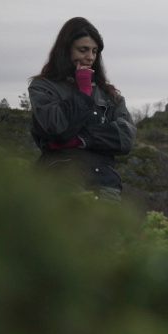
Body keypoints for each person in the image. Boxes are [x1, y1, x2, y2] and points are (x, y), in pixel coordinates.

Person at [28, 17, 135, 203]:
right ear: (65, 49)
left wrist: (82, 139)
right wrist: (84, 91)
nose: (90, 57)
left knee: (107, 232)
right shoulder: (43, 86)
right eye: (83, 50)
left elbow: (126, 137)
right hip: (60, 179)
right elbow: (56, 126)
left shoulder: (109, 94)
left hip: (105, 185)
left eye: (95, 51)